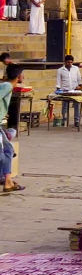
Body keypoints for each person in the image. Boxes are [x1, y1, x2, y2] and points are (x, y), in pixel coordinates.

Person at [0, 64, 21, 192]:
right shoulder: (7, 86)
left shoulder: (7, 86)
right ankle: (7, 181)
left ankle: (6, 179)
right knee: (6, 151)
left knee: (8, 149)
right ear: (19, 76)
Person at [54, 54, 82, 128]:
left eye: (71, 62)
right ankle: (64, 120)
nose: (69, 64)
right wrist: (58, 90)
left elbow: (79, 79)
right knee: (65, 106)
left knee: (77, 105)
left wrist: (80, 86)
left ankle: (77, 121)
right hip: (65, 90)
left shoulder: (76, 69)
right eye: (68, 62)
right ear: (65, 62)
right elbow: (58, 81)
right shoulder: (60, 70)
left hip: (75, 90)